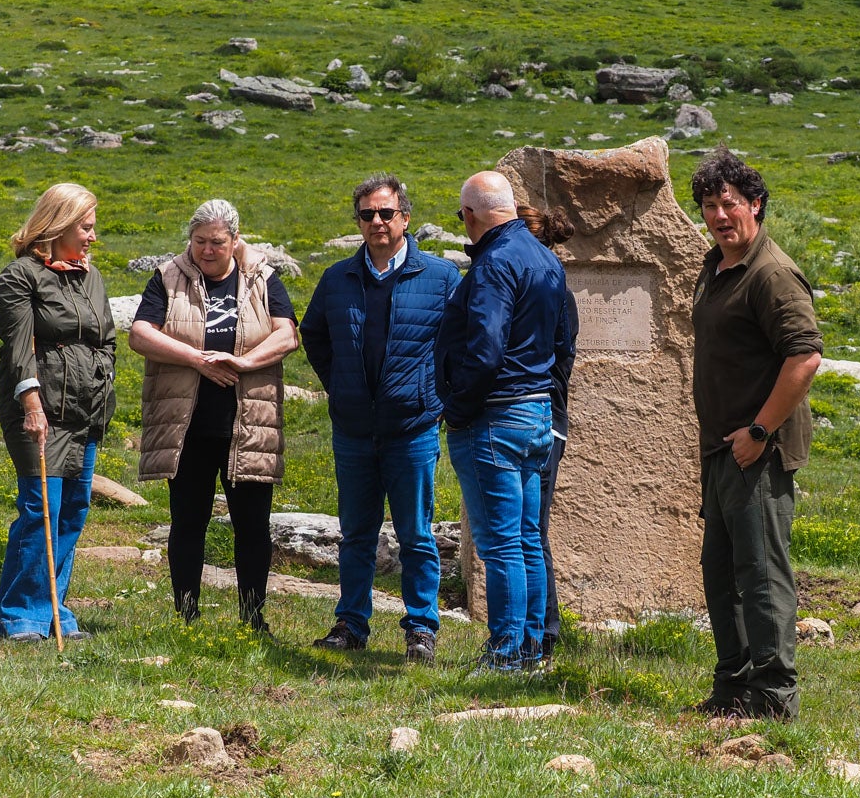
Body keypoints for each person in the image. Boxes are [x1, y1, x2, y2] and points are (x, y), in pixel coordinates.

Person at [301, 174, 460, 663]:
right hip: (353, 429)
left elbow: (459, 346)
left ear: (405, 218)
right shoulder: (337, 279)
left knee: (415, 534)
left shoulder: (441, 278)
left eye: (385, 213)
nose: (376, 222)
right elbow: (315, 336)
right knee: (356, 535)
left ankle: (421, 628)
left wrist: (431, 394)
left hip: (411, 429)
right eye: (367, 215)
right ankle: (350, 624)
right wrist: (342, 385)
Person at [689, 147, 822, 720]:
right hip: (721, 449)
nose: (720, 216)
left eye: (730, 204)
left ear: (756, 205)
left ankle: (774, 701)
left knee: (762, 576)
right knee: (721, 576)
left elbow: (805, 358)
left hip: (756, 452)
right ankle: (733, 691)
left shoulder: (771, 273)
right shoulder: (716, 263)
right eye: (710, 206)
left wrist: (761, 430)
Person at [130, 199, 298, 634]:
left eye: (217, 242)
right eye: (199, 241)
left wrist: (243, 363)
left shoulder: (262, 278)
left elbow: (287, 334)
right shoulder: (167, 278)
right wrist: (195, 359)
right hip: (186, 424)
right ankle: (186, 615)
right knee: (188, 521)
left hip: (249, 423)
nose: (207, 250)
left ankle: (253, 617)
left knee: (252, 525)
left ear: (235, 241)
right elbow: (140, 333)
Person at [434, 171, 572, 672]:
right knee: (528, 537)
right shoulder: (545, 259)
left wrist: (458, 405)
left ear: (471, 215)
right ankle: (533, 647)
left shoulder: (494, 264)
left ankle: (506, 652)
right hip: (537, 412)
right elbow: (561, 344)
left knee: (500, 543)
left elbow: (486, 349)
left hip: (495, 414)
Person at [0, 183, 116, 643]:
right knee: (42, 509)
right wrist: (31, 404)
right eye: (85, 226)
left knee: (73, 512)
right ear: (58, 223)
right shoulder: (19, 277)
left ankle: (53, 608)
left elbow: (106, 339)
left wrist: (104, 382)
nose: (92, 236)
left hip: (85, 413)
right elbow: (19, 348)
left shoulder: (90, 276)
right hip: (41, 411)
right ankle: (21, 613)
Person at [516, 205, 579, 666]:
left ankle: (541, 631)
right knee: (524, 529)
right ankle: (533, 629)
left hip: (543, 419)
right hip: (547, 419)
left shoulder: (549, 292)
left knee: (530, 530)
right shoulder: (550, 289)